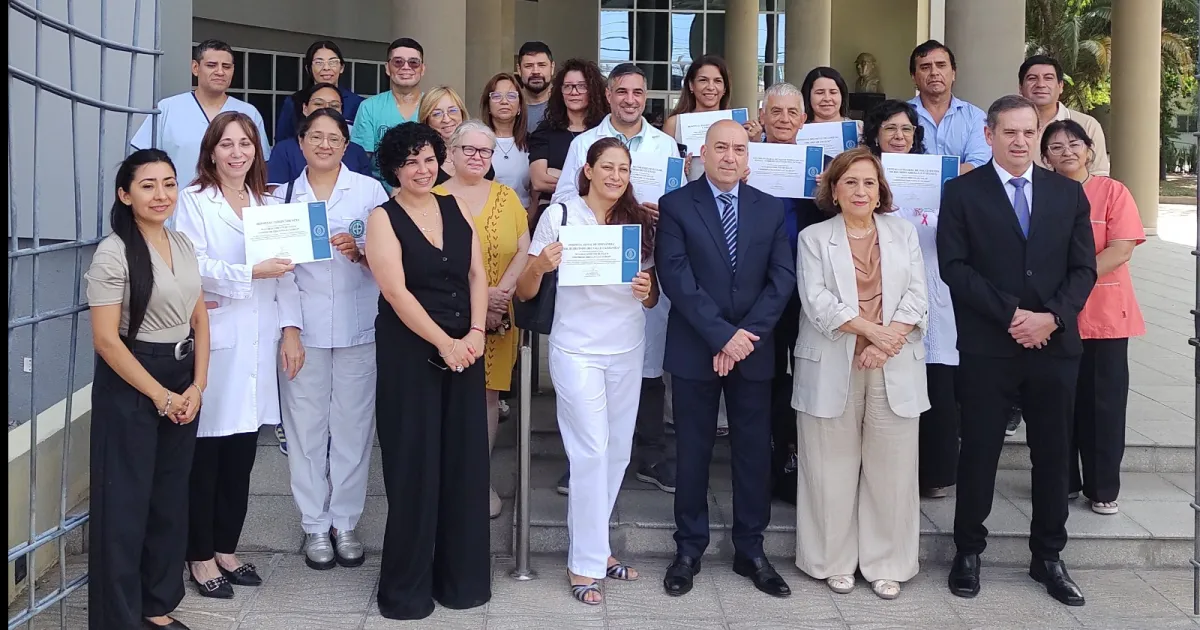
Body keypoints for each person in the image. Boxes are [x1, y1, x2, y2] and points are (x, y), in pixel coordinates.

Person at [939, 95, 1096, 607]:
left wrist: (1051, 317)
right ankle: (968, 551)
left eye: (1029, 132)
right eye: (1009, 132)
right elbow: (954, 266)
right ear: (989, 135)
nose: (1020, 141)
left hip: (1054, 345)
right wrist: (1010, 315)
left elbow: (1083, 269)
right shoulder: (961, 192)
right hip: (989, 346)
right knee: (979, 451)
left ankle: (1048, 556)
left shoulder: (1067, 193)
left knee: (1052, 454)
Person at [516, 136, 659, 605]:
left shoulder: (638, 221)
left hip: (626, 346)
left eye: (624, 169)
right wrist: (541, 264)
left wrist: (647, 291)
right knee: (590, 451)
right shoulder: (560, 216)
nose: (616, 176)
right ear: (589, 170)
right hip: (576, 347)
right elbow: (525, 291)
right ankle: (583, 564)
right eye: (608, 167)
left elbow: (652, 295)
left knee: (616, 452)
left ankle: (598, 551)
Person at [657, 120, 796, 599]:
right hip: (696, 347)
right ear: (703, 152)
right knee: (693, 452)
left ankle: (751, 550)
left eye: (739, 149)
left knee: (753, 454)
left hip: (753, 350)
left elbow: (782, 279)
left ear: (748, 156)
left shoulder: (769, 207)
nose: (730, 156)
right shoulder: (677, 205)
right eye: (721, 148)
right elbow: (676, 278)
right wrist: (722, 336)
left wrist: (744, 339)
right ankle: (688, 549)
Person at [174, 111, 302, 599]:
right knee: (206, 456)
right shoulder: (193, 200)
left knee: (241, 455)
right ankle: (199, 555)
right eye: (226, 144)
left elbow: (287, 273)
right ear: (211, 151)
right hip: (218, 342)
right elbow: (192, 264)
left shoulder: (268, 204)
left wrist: (291, 330)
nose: (236, 153)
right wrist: (250, 272)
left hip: (259, 342)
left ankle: (226, 548)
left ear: (256, 150)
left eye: (245, 143)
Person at [366, 122, 490, 620]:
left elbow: (477, 273)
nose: (422, 169)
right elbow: (395, 292)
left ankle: (461, 582)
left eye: (429, 159)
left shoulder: (455, 205)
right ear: (394, 168)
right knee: (414, 466)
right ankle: (406, 591)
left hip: (466, 348)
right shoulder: (382, 218)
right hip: (410, 354)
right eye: (410, 161)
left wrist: (475, 333)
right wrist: (445, 343)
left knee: (463, 463)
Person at [792, 147, 929, 600]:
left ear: (880, 190)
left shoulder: (903, 232)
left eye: (869, 182)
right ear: (834, 190)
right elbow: (817, 301)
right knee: (828, 467)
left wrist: (886, 342)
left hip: (894, 363)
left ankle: (887, 563)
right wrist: (872, 333)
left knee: (892, 470)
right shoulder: (813, 238)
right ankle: (831, 560)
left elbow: (917, 294)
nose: (860, 190)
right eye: (850, 182)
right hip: (833, 361)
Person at [86, 149, 208, 630]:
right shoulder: (113, 252)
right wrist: (160, 395)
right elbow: (105, 340)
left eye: (169, 183)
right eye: (148, 185)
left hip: (182, 376)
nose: (162, 195)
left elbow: (199, 318)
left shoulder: (182, 242)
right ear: (125, 195)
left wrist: (197, 386)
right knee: (125, 505)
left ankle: (157, 605)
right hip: (133, 379)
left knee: (169, 499)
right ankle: (118, 619)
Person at [552, 63, 679, 496]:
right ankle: (582, 462)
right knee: (589, 373)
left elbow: (680, 199)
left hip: (643, 263)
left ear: (646, 97)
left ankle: (651, 454)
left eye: (638, 92)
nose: (630, 99)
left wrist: (662, 213)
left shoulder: (665, 145)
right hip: (592, 267)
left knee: (647, 360)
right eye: (622, 91)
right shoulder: (584, 143)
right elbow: (565, 199)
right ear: (607, 95)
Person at [276, 108, 389, 571]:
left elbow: (390, 260)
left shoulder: (370, 192)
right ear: (301, 143)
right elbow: (279, 272)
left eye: (334, 138)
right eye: (316, 137)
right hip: (303, 331)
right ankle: (314, 524)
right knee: (305, 430)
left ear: (346, 145)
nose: (325, 145)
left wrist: (360, 252)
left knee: (353, 429)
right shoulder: (281, 198)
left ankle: (345, 521)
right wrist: (289, 331)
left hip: (359, 327)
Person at [1041, 119, 1146, 515]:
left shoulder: (1113, 192)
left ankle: (1102, 487)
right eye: (1055, 146)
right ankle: (1063, 481)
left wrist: (1072, 284)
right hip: (1053, 316)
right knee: (1057, 402)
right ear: (1045, 157)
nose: (1066, 151)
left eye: (1074, 144)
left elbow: (1121, 249)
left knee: (1104, 404)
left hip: (1104, 314)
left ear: (1089, 150)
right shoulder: (1039, 193)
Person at [864, 99, 961, 499]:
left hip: (933, 284)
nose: (899, 136)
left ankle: (935, 473)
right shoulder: (864, 173)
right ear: (876, 135)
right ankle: (884, 474)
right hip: (880, 288)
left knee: (936, 378)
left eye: (906, 129)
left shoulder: (936, 173)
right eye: (890, 129)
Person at [433, 120, 530, 519]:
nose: (477, 157)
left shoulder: (507, 197)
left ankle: (478, 480)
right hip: (445, 314)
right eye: (469, 149)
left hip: (499, 316)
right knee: (447, 396)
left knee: (488, 396)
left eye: (485, 151)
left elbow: (523, 249)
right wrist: (479, 299)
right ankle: (445, 480)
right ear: (451, 153)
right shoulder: (432, 196)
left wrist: (498, 296)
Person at [758, 81, 832, 504]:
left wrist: (829, 192)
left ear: (804, 120)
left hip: (809, 286)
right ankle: (766, 459)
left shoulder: (823, 166)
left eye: (791, 113)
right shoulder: (745, 159)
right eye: (776, 111)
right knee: (766, 375)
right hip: (759, 286)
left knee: (804, 374)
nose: (784, 120)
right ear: (762, 117)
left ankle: (795, 457)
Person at [131, 40, 270, 191]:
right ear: (195, 68)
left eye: (226, 66)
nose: (220, 72)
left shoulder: (248, 113)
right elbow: (142, 162)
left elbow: (259, 167)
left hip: (235, 202)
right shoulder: (167, 108)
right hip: (176, 202)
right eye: (211, 65)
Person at [528, 58, 607, 219]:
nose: (574, 92)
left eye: (582, 86)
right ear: (560, 91)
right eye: (568, 86)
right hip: (553, 212)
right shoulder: (546, 130)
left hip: (596, 215)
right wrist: (592, 182)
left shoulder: (604, 130)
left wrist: (558, 173)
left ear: (593, 91)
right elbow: (539, 181)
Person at [1020, 54, 1111, 176]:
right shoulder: (1009, 125)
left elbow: (1099, 176)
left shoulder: (1087, 125)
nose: (1041, 84)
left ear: (1060, 86)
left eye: (1048, 78)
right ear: (1020, 87)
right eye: (1032, 78)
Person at [267, 82, 372, 187]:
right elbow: (275, 193)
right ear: (305, 109)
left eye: (334, 105)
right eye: (318, 104)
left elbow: (368, 191)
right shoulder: (284, 150)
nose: (325, 108)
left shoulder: (357, 152)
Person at [906, 40, 988, 174]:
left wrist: (929, 176)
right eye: (925, 67)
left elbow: (979, 164)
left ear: (953, 73)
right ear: (913, 77)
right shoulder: (901, 115)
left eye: (941, 65)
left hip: (962, 188)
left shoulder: (975, 117)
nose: (934, 72)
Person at [351, 38, 426, 183]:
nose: (406, 67)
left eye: (413, 62)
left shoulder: (433, 105)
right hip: (381, 191)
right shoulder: (369, 107)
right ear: (387, 68)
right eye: (398, 62)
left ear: (422, 69)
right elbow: (360, 160)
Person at [274, 40, 366, 143]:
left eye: (332, 62)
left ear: (342, 67)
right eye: (319, 63)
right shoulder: (294, 102)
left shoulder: (358, 104)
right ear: (308, 69)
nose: (326, 68)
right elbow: (282, 141)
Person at [417, 86, 496, 185]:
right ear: (426, 120)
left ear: (462, 113)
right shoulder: (419, 155)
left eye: (453, 111)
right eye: (437, 114)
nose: (446, 119)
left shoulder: (478, 150)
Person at [480, 72, 533, 208]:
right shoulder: (478, 142)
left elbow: (535, 191)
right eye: (496, 96)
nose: (504, 101)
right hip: (486, 213)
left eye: (511, 96)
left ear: (519, 106)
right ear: (488, 105)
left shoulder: (532, 142)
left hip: (524, 213)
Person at [516, 41, 555, 133]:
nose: (536, 71)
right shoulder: (510, 105)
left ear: (552, 67)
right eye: (528, 66)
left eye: (542, 65)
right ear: (519, 70)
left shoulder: (565, 104)